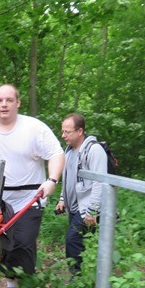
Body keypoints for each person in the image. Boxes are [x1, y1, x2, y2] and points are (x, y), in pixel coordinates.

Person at [0, 84, 64, 288]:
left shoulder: (35, 128)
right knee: (5, 246)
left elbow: (56, 154)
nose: (4, 104)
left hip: (30, 196)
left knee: (24, 242)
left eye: (9, 100)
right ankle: (11, 286)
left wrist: (52, 179)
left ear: (18, 103)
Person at [55, 113, 107, 275]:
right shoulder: (69, 151)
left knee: (73, 240)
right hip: (74, 207)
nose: (63, 135)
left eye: (67, 132)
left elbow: (100, 182)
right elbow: (68, 178)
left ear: (80, 131)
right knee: (84, 243)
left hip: (88, 208)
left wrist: (92, 210)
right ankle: (86, 277)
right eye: (63, 132)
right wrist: (62, 199)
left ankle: (77, 277)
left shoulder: (94, 150)